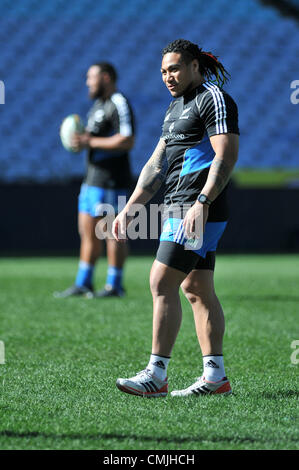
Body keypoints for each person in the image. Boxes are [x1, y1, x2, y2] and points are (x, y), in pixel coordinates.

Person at [113, 39, 239, 397]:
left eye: (175, 68)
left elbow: (226, 156)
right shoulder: (174, 108)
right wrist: (129, 208)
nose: (168, 76)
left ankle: (156, 375)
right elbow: (155, 166)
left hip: (196, 208)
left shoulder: (212, 98)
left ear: (195, 66)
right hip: (177, 207)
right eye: (164, 71)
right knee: (196, 289)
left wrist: (202, 202)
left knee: (161, 280)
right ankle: (216, 377)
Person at [54, 63, 135, 298]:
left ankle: (114, 285)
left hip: (110, 180)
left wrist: (89, 141)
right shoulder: (98, 106)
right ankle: (84, 282)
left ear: (106, 77)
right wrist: (79, 141)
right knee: (87, 231)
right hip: (92, 179)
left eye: (92, 77)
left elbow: (127, 140)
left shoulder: (118, 102)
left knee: (112, 232)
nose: (88, 82)